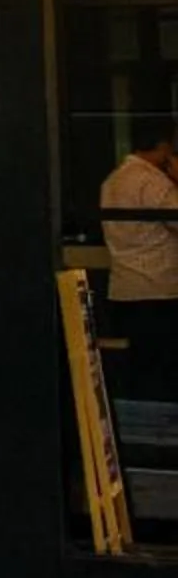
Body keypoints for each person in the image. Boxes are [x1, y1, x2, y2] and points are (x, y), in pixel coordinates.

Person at [101, 119, 178, 400]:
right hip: (158, 288)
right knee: (162, 368)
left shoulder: (113, 179)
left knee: (137, 367)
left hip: (123, 286)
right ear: (163, 146)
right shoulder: (153, 182)